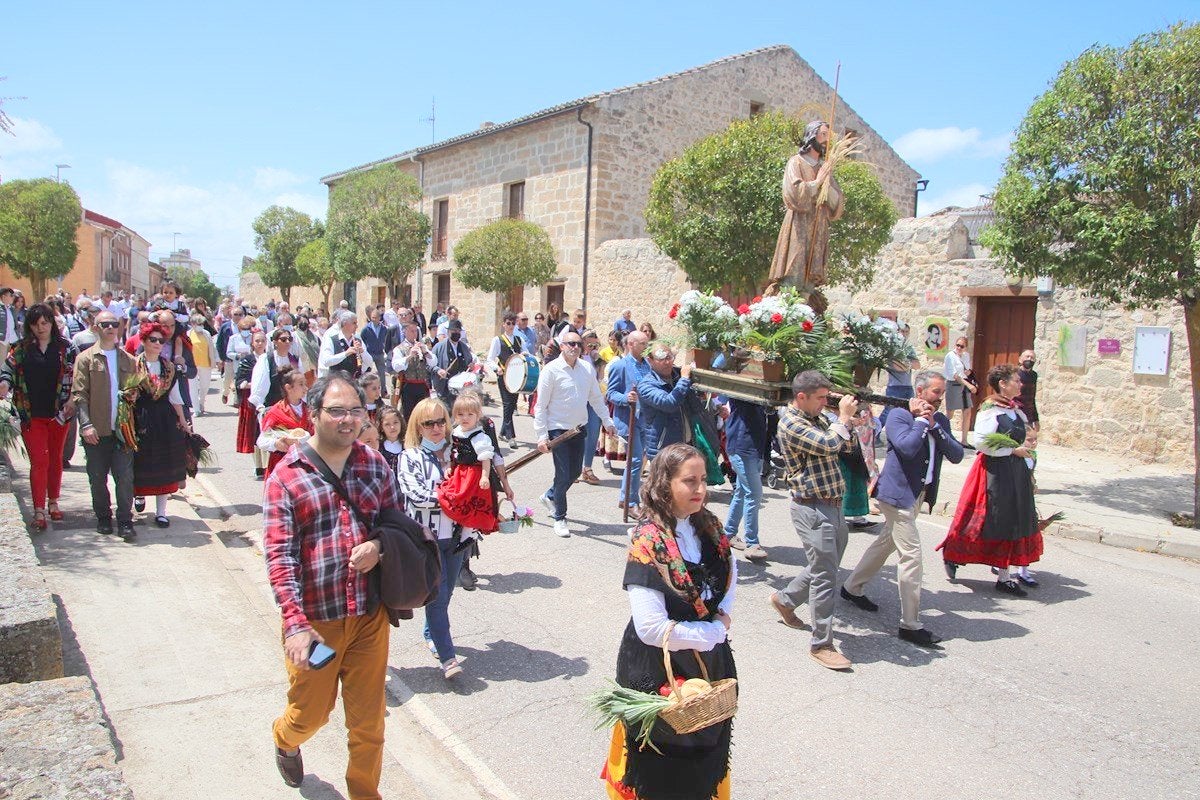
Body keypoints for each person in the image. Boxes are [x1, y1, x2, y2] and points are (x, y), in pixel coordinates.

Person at [263, 374, 393, 795]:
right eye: (336, 411)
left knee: (369, 724)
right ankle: (285, 739)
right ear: (313, 414)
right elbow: (279, 557)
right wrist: (296, 624)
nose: (348, 420)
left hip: (368, 619)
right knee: (311, 714)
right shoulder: (286, 476)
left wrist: (378, 546)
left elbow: (396, 527)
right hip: (316, 624)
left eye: (356, 411)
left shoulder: (374, 463)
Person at [601, 443, 736, 800]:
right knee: (662, 765)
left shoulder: (710, 527)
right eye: (689, 481)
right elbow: (651, 628)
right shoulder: (647, 540)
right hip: (658, 668)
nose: (701, 489)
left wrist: (718, 623)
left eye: (703, 480)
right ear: (665, 485)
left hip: (707, 663)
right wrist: (713, 630)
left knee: (707, 749)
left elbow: (727, 579)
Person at [842, 371, 964, 647]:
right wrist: (921, 421)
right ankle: (910, 624)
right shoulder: (900, 416)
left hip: (917, 495)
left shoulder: (939, 420)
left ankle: (851, 587)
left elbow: (956, 454)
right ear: (919, 392)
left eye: (942, 393)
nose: (940, 398)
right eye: (936, 392)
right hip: (896, 497)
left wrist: (935, 427)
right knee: (911, 556)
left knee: (885, 544)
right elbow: (907, 448)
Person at [767, 370, 858, 671]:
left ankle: (786, 599)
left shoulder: (816, 419)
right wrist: (842, 422)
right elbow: (828, 445)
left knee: (824, 567)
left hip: (833, 505)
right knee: (825, 575)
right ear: (801, 397)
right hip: (812, 508)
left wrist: (850, 426)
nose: (825, 403)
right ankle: (822, 644)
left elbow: (844, 447)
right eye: (820, 398)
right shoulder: (791, 423)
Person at [938, 364, 1042, 596]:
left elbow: (1024, 438)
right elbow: (983, 443)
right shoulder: (990, 409)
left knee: (1012, 520)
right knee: (983, 520)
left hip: (1015, 472)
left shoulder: (1016, 410)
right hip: (994, 472)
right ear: (1002, 384)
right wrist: (1012, 451)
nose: (1020, 383)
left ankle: (1004, 577)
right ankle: (953, 553)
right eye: (1015, 380)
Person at [398, 397, 466, 678]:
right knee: (437, 597)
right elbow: (417, 496)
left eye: (441, 422)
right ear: (419, 427)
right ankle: (448, 658)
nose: (437, 428)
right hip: (429, 540)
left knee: (447, 593)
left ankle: (431, 632)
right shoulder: (409, 457)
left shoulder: (459, 452)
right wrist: (454, 497)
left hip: (459, 536)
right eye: (429, 424)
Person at [0, 303, 78, 530]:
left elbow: (77, 377)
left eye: (45, 322)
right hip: (30, 414)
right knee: (39, 461)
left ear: (52, 323)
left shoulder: (66, 348)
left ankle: (53, 501)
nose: (41, 327)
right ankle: (38, 510)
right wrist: (5, 383)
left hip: (59, 414)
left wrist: (73, 400)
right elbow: (7, 370)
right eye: (35, 324)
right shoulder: (21, 349)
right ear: (30, 327)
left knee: (55, 459)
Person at [533, 330, 615, 537]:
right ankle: (560, 517)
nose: (575, 347)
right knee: (562, 474)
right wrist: (541, 436)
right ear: (561, 346)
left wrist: (607, 420)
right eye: (570, 344)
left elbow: (596, 398)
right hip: (557, 429)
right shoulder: (550, 370)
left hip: (578, 428)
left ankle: (550, 495)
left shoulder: (587, 368)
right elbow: (540, 406)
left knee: (575, 472)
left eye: (579, 344)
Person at [764, 120, 844, 309]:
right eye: (822, 135)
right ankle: (786, 314)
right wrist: (816, 183)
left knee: (810, 275)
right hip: (799, 224)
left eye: (828, 136)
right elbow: (793, 192)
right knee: (794, 269)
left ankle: (805, 312)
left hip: (819, 224)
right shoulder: (796, 162)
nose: (825, 140)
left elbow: (837, 203)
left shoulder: (825, 168)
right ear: (812, 135)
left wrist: (826, 186)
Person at [71, 311, 137, 539]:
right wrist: (86, 425)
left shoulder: (128, 359)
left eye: (114, 324)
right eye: (106, 324)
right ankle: (103, 517)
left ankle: (125, 521)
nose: (111, 327)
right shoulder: (85, 359)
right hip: (96, 430)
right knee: (97, 476)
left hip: (122, 430)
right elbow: (79, 395)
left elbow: (134, 390)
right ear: (96, 327)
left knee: (125, 477)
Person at [127, 322, 189, 528]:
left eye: (161, 341)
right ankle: (139, 495)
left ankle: (162, 512)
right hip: (141, 417)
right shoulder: (133, 365)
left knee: (164, 465)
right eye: (152, 340)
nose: (157, 344)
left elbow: (175, 396)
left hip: (164, 419)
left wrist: (183, 421)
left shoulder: (169, 367)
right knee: (141, 460)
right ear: (143, 341)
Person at [607, 331, 651, 514]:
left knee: (638, 461)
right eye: (643, 344)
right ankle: (630, 501)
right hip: (629, 419)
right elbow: (611, 393)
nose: (646, 348)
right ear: (631, 344)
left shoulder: (647, 365)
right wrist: (626, 397)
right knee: (634, 460)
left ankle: (627, 498)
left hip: (646, 419)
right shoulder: (620, 366)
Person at [720, 396, 769, 561]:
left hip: (754, 446)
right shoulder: (742, 392)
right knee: (754, 494)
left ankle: (729, 533)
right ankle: (752, 543)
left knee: (742, 492)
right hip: (742, 446)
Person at [637, 344, 694, 464]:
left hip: (686, 444)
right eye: (661, 359)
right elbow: (669, 403)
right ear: (650, 361)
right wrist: (684, 380)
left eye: (669, 357)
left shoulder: (678, 376)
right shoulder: (646, 385)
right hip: (663, 449)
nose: (667, 362)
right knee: (663, 482)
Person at [256, 366, 312, 478]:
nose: (305, 388)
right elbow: (262, 440)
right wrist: (276, 444)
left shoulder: (310, 410)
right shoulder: (276, 412)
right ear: (288, 388)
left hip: (307, 463)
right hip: (282, 465)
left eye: (305, 384)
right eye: (301, 384)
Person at [485, 312, 524, 443]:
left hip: (516, 378)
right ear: (503, 324)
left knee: (512, 405)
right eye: (508, 323)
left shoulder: (519, 340)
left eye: (513, 323)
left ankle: (502, 432)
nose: (511, 326)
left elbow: (525, 354)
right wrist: (497, 369)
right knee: (507, 404)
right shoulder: (498, 340)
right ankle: (510, 436)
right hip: (504, 376)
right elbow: (489, 359)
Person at [236, 331, 269, 477]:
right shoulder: (247, 360)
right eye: (257, 341)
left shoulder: (270, 359)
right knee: (254, 432)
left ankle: (268, 465)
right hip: (251, 401)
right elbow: (239, 380)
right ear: (252, 343)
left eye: (262, 340)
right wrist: (250, 385)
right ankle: (258, 466)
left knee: (267, 431)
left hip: (267, 400)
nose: (260, 343)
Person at [250, 328, 301, 414]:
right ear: (275, 342)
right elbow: (260, 384)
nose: (287, 342)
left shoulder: (295, 359)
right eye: (284, 339)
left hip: (291, 407)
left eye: (290, 339)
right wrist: (259, 405)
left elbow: (301, 382)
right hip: (272, 406)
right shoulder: (266, 359)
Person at [390, 322, 435, 419]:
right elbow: (396, 366)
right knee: (409, 414)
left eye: (416, 331)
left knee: (423, 414)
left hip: (423, 385)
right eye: (412, 331)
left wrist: (425, 352)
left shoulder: (422, 346)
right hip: (408, 386)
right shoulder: (399, 349)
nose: (415, 333)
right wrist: (409, 356)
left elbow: (433, 362)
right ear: (405, 332)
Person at [579, 330, 605, 485]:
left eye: (595, 343)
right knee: (576, 434)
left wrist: (598, 362)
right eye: (589, 342)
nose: (592, 345)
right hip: (579, 400)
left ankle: (587, 468)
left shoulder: (597, 358)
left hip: (593, 400)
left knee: (593, 432)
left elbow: (600, 379)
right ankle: (575, 468)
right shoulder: (576, 357)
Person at [881, 324, 920, 428]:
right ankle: (875, 434)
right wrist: (908, 364)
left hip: (907, 386)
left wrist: (905, 365)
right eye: (902, 331)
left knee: (911, 411)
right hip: (895, 387)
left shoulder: (909, 348)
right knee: (888, 412)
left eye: (906, 332)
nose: (904, 334)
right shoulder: (892, 348)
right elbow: (896, 366)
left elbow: (917, 365)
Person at [943, 336, 978, 447]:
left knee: (967, 411)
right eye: (957, 345)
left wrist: (968, 372)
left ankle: (964, 440)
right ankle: (944, 435)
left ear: (965, 347)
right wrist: (969, 385)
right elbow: (955, 375)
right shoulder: (950, 356)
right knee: (950, 413)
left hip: (964, 385)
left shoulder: (966, 356)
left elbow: (967, 370)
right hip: (953, 384)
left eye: (961, 346)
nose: (959, 347)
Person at [431, 319, 472, 401]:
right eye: (454, 330)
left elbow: (469, 362)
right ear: (448, 331)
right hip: (444, 387)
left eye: (458, 331)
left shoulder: (464, 347)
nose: (456, 333)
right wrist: (438, 370)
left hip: (460, 388)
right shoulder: (439, 347)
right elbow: (430, 365)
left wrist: (471, 366)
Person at [187, 314, 219, 416]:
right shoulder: (188, 334)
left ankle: (201, 403)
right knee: (193, 387)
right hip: (192, 365)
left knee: (204, 386)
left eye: (201, 324)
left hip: (206, 364)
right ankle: (196, 409)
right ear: (192, 324)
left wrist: (216, 360)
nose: (200, 325)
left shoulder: (207, 334)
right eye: (198, 324)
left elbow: (212, 348)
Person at [318, 311, 365, 379]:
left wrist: (362, 352)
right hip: (337, 381)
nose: (357, 326)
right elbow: (326, 361)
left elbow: (369, 363)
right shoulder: (330, 336)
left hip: (354, 381)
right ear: (345, 324)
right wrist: (345, 353)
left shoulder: (357, 338)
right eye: (354, 323)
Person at [359, 306, 391, 398]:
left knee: (382, 374)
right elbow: (362, 339)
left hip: (379, 353)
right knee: (366, 372)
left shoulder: (384, 329)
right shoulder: (366, 329)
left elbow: (386, 339)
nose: (373, 319)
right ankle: (364, 391)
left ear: (379, 318)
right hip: (369, 353)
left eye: (375, 317)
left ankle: (383, 392)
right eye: (372, 317)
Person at [1016, 349, 1039, 433]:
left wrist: (1036, 419)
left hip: (1028, 414)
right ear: (1020, 359)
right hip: (1016, 413)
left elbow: (1032, 398)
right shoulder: (1014, 374)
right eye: (1027, 356)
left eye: (1032, 358)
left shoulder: (1034, 376)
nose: (1029, 359)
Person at [294, 315, 321, 386]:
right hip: (301, 368)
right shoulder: (294, 336)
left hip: (313, 368)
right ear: (297, 323)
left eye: (305, 321)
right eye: (301, 321)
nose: (303, 323)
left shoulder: (314, 337)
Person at [377, 406, 404, 477]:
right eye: (387, 424)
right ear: (381, 427)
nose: (392, 427)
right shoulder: (378, 447)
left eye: (395, 422)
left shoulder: (408, 446)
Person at [0, 287, 20, 364]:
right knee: (1, 365)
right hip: (2, 341)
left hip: (13, 341)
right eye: (11, 295)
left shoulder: (11, 309)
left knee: (13, 364)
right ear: (4, 297)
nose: (13, 297)